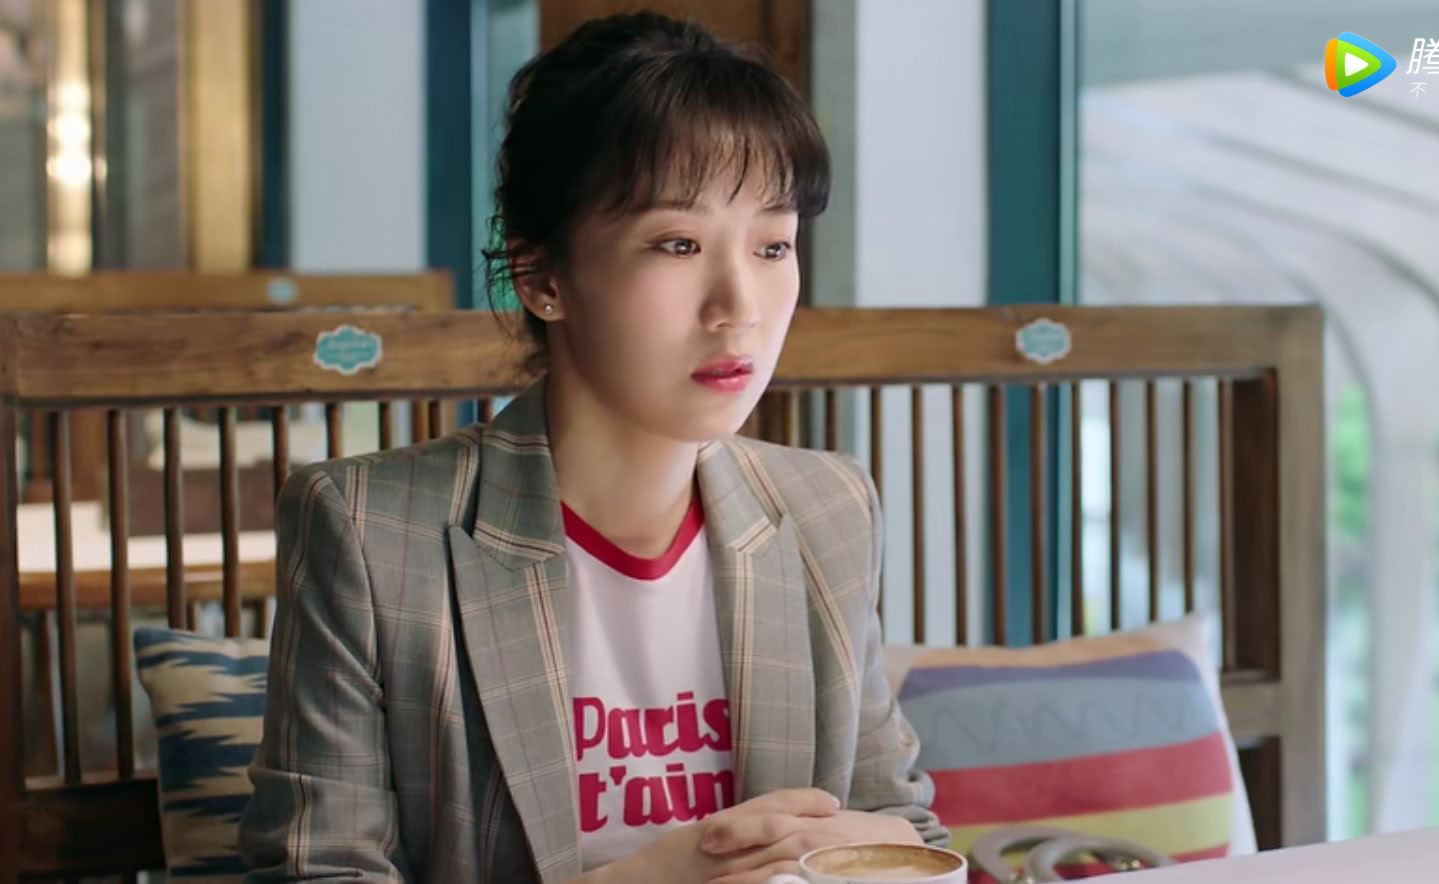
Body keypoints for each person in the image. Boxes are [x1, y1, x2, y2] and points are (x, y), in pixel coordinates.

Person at [238, 11, 944, 883]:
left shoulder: (827, 508)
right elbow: (315, 871)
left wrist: (860, 851)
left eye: (773, 245)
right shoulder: (370, 531)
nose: (739, 307)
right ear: (542, 278)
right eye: (677, 244)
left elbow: (902, 825)